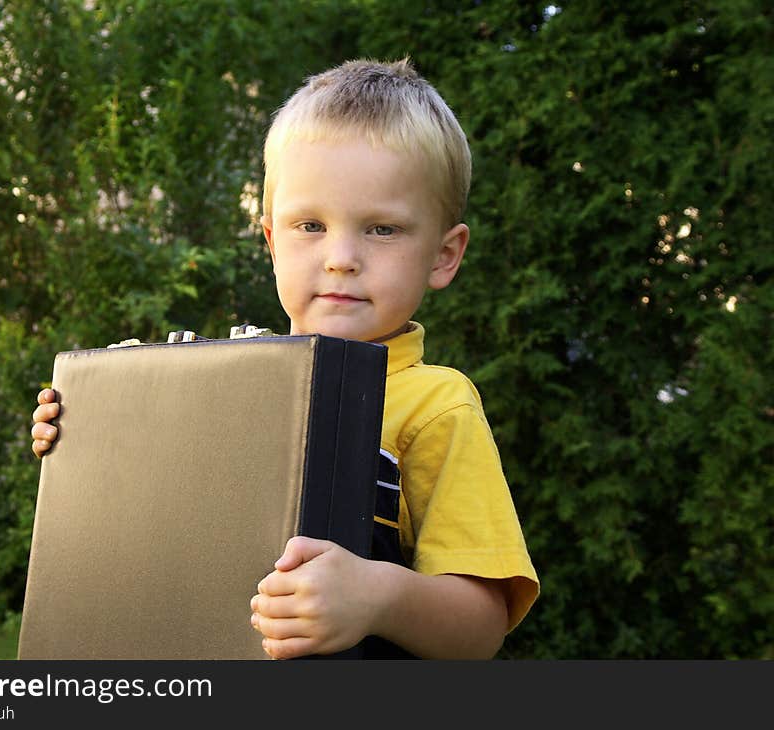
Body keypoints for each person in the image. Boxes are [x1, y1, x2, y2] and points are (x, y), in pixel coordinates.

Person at [31, 57, 539, 660]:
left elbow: (482, 627)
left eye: (382, 229)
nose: (341, 257)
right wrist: (85, 446)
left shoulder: (437, 406)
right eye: (310, 225)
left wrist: (377, 596)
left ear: (443, 255)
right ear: (271, 239)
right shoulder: (225, 387)